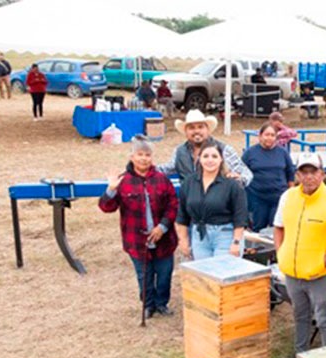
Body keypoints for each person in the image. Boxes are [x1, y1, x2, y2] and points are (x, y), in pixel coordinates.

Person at [273, 153, 326, 358]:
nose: (308, 177)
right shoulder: (287, 197)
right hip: (293, 273)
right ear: (297, 175)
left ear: (322, 174)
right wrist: (281, 253)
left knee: (324, 318)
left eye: (313, 172)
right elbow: (279, 227)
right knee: (299, 315)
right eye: (303, 172)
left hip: (319, 275)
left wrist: (324, 261)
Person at [99, 136, 178, 319]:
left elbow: (173, 205)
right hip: (136, 240)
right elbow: (106, 207)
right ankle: (148, 305)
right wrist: (110, 190)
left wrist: (163, 227)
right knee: (144, 276)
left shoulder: (161, 179)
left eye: (147, 155)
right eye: (140, 154)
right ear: (132, 157)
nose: (144, 158)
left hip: (164, 238)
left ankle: (161, 303)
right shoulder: (123, 181)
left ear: (152, 157)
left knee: (165, 274)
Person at [175, 144, 249, 260]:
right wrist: (183, 240)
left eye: (214, 156)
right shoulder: (189, 183)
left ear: (221, 160)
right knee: (204, 275)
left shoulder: (232, 185)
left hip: (225, 235)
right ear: (199, 159)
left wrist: (236, 242)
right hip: (199, 236)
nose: (210, 160)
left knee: (222, 273)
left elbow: (240, 217)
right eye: (206, 156)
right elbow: (182, 215)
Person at [159, 110, 253, 187]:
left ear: (207, 130)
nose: (196, 131)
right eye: (191, 128)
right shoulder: (179, 151)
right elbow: (167, 168)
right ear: (186, 132)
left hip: (218, 204)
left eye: (200, 127)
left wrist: (238, 180)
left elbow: (246, 173)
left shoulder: (224, 149)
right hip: (189, 204)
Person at [242, 122, 295, 231]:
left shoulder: (282, 152)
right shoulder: (250, 153)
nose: (269, 138)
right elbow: (240, 172)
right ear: (260, 136)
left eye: (272, 135)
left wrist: (291, 193)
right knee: (257, 227)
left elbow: (290, 172)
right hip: (257, 197)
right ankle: (256, 248)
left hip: (278, 197)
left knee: (276, 227)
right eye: (266, 135)